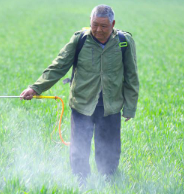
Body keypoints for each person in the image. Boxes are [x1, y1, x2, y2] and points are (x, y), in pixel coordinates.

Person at [20, 4, 139, 183]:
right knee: (79, 148)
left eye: (104, 26)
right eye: (94, 24)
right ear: (90, 22)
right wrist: (36, 88)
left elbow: (131, 76)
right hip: (82, 104)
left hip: (110, 106)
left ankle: (108, 180)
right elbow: (58, 66)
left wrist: (130, 107)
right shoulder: (80, 40)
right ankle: (80, 181)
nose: (98, 30)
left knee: (109, 149)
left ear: (113, 24)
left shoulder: (124, 42)